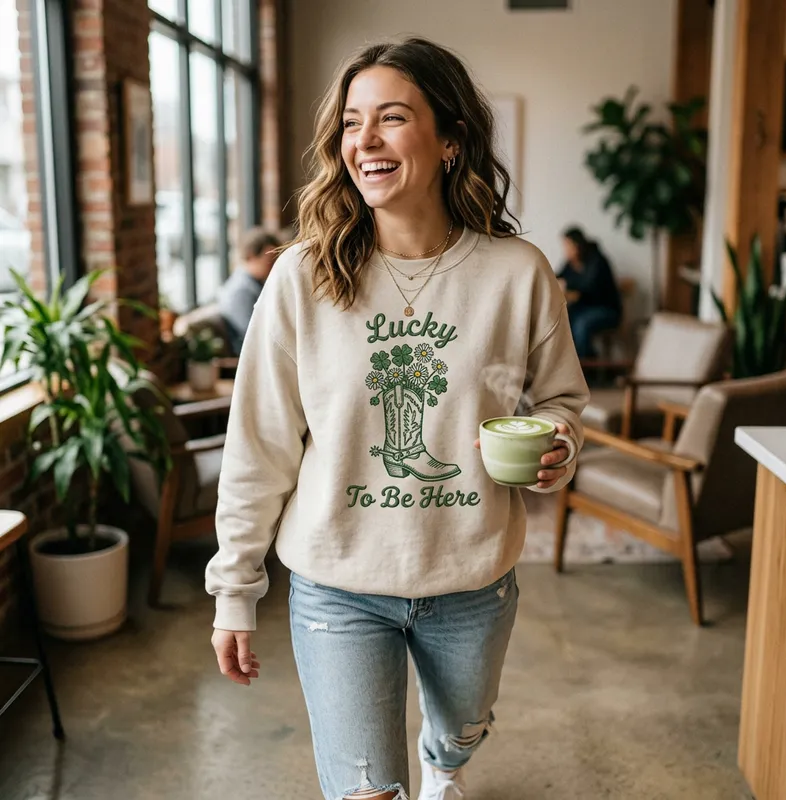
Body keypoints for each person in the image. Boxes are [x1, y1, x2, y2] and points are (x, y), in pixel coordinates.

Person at [206, 37, 589, 800]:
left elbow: (560, 403)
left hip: (471, 574)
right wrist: (234, 588)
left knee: (463, 728)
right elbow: (258, 445)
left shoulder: (518, 274)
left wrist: (559, 446)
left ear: (450, 141)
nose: (364, 141)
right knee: (365, 791)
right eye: (351, 123)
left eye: (390, 117)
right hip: (336, 581)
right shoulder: (302, 277)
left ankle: (444, 763)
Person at [557, 227, 622, 359]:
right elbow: (557, 277)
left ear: (576, 245)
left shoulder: (597, 260)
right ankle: (578, 360)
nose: (565, 249)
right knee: (561, 318)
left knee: (582, 324)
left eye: (567, 245)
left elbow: (589, 286)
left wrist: (568, 285)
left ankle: (586, 366)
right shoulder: (570, 263)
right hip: (583, 309)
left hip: (606, 309)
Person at [218, 227, 280, 355]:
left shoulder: (254, 285)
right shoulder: (241, 291)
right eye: (270, 258)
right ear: (251, 256)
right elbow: (254, 334)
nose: (274, 263)